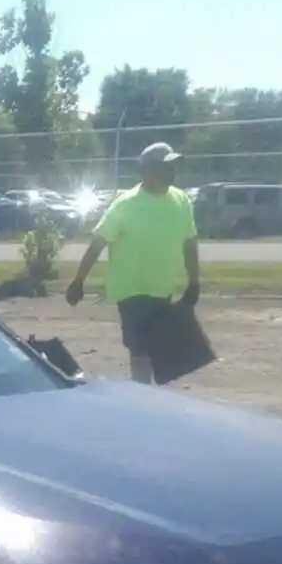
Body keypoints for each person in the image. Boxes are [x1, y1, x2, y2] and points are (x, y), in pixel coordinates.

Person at [64, 141, 201, 383]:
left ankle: (149, 395)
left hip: (163, 288)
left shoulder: (181, 201)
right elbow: (98, 243)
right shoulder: (126, 204)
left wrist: (194, 281)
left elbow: (189, 242)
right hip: (131, 290)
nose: (172, 173)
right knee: (140, 350)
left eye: (173, 167)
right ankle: (144, 395)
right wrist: (78, 281)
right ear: (147, 170)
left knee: (159, 348)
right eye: (165, 167)